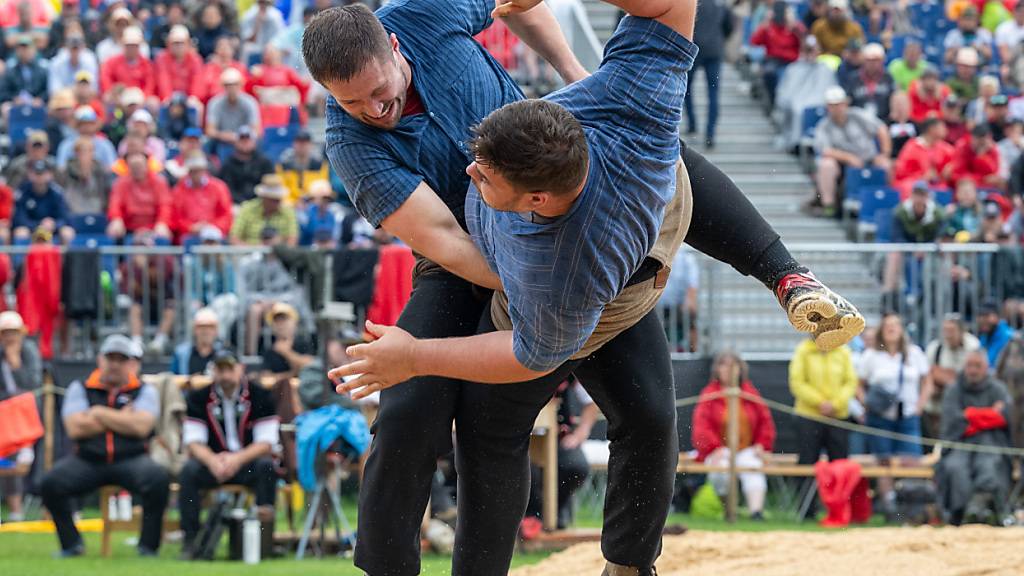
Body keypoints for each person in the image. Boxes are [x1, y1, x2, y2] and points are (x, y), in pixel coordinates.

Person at [309, 3, 860, 575]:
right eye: (352, 103)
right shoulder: (350, 143)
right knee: (409, 410)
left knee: (631, 415)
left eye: (379, 91)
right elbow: (446, 238)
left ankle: (627, 566)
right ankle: (387, 570)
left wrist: (576, 74)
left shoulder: (423, 12)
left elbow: (522, 6)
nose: (375, 110)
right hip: (473, 260)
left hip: (553, 237)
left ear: (395, 46)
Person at [40, 335, 169, 557]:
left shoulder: (144, 390)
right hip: (88, 460)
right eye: (111, 358)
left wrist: (98, 413)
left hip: (132, 458)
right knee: (51, 483)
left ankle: (148, 547)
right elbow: (75, 428)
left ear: (130, 363)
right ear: (100, 360)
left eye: (121, 359)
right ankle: (71, 544)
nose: (115, 365)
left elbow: (141, 427)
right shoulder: (80, 388)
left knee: (158, 479)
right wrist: (123, 418)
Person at [180, 348, 280, 559]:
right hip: (213, 462)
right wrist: (213, 461)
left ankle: (264, 541)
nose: (225, 375)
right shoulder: (198, 397)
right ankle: (191, 541)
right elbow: (193, 441)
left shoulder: (260, 395)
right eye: (220, 369)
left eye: (229, 369)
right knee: (188, 471)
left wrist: (236, 459)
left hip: (247, 462)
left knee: (267, 467)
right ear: (213, 371)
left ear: (240, 369)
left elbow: (267, 442)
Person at [857, 313, 932, 518]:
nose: (891, 329)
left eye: (895, 325)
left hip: (907, 414)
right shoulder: (871, 355)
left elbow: (927, 381)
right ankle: (890, 506)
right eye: (887, 326)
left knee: (912, 460)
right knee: (884, 462)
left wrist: (920, 405)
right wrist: (866, 404)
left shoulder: (914, 353)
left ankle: (912, 506)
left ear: (902, 330)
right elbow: (859, 385)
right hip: (880, 416)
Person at [692, 351, 776, 520]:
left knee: (753, 467)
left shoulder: (749, 393)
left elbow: (765, 422)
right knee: (720, 470)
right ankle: (728, 509)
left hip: (746, 448)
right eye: (724, 365)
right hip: (720, 449)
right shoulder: (710, 394)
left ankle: (756, 512)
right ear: (717, 369)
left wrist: (761, 444)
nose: (728, 370)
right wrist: (714, 448)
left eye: (732, 366)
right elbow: (701, 427)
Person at [938, 350, 1012, 525]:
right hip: (960, 442)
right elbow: (953, 419)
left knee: (990, 465)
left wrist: (970, 415)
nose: (973, 370)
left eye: (977, 366)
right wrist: (989, 415)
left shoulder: (998, 389)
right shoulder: (953, 390)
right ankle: (960, 514)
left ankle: (981, 509)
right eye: (970, 365)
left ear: (986, 368)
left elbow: (1004, 417)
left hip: (991, 441)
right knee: (955, 468)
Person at [523, 375, 598, 532]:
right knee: (526, 470)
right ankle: (531, 516)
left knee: (576, 466)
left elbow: (590, 401)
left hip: (558, 436)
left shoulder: (567, 365)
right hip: (520, 437)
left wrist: (580, 433)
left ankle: (554, 510)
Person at [813, 86, 892, 217]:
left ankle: (886, 201)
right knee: (826, 165)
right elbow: (825, 150)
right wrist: (848, 158)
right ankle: (829, 205)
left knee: (886, 165)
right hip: (843, 165)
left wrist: (884, 153)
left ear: (845, 104)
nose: (836, 108)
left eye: (839, 104)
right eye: (832, 105)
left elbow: (881, 128)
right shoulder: (824, 126)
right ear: (828, 107)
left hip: (869, 159)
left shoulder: (858, 115)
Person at [0, 310, 42, 523]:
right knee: (6, 460)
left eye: (13, 332)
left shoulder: (29, 351)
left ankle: (29, 508)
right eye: (5, 332)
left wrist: (15, 361)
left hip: (28, 416)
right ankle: (14, 510)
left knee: (26, 460)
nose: (9, 337)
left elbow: (32, 384)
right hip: (4, 415)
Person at [790, 336, 858, 464]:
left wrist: (836, 404)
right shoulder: (803, 350)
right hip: (808, 417)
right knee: (807, 462)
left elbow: (851, 382)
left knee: (840, 464)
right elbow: (797, 383)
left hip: (838, 418)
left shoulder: (844, 351)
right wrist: (819, 403)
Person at [684, 0, 732, 149]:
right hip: (714, 50)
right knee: (713, 92)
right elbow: (728, 27)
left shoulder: (693, 2)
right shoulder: (721, 4)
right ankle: (710, 134)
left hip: (695, 49)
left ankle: (692, 123)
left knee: (686, 88)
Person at [924, 314, 982, 438]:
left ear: (962, 331)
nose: (948, 335)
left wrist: (944, 376)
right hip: (937, 407)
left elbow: (974, 377)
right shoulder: (935, 348)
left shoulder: (973, 347)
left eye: (952, 330)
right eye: (945, 330)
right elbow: (928, 375)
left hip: (965, 407)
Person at [106, 151, 172, 241]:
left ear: (146, 165)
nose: (137, 170)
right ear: (128, 167)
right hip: (129, 227)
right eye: (134, 167)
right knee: (113, 229)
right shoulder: (121, 183)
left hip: (153, 227)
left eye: (140, 166)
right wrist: (116, 219)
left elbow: (165, 205)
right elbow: (115, 204)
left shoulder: (159, 182)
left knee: (164, 232)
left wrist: (162, 222)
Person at [749, 1, 804, 108]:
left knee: (789, 76)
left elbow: (805, 43)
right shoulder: (769, 26)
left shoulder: (794, 27)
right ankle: (772, 101)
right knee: (769, 72)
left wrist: (794, 26)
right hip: (774, 60)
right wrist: (765, 23)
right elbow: (754, 41)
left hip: (791, 61)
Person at [168, 154, 233, 242]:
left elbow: (226, 215)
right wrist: (190, 227)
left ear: (204, 170)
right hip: (189, 236)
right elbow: (175, 217)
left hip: (215, 233)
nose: (196, 174)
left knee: (216, 240)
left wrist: (212, 226)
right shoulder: (178, 190)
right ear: (188, 171)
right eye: (193, 170)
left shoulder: (219, 188)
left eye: (199, 170)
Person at [205, 68, 261, 158]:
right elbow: (210, 131)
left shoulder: (250, 102)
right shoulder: (215, 103)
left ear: (241, 85)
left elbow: (257, 131)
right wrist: (226, 136)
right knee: (206, 143)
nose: (232, 88)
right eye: (228, 85)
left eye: (235, 85)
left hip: (245, 139)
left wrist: (242, 138)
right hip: (222, 140)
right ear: (223, 86)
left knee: (258, 143)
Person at [13, 160, 73, 243]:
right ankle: (21, 256)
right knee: (21, 232)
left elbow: (65, 217)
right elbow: (19, 219)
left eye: (43, 173)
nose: (40, 177)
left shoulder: (56, 192)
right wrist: (39, 224)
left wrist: (54, 224)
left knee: (67, 232)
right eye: (37, 173)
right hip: (31, 229)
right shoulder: (23, 192)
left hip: (52, 229)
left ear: (50, 175)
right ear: (30, 174)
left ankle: (66, 256)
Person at [230, 175, 299, 246]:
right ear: (264, 197)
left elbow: (292, 239)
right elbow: (234, 238)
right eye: (273, 199)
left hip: (279, 255)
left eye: (278, 199)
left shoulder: (288, 211)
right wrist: (254, 249)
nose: (277, 203)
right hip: (249, 254)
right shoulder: (247, 209)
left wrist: (279, 243)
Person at [893, 118, 954, 197]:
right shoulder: (912, 147)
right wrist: (922, 177)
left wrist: (951, 166)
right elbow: (901, 171)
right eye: (942, 127)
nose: (945, 130)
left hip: (938, 184)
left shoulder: (943, 146)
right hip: (914, 184)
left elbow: (957, 158)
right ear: (932, 129)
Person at [217, 125, 275, 204]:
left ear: (254, 142)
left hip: (261, 203)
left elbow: (270, 184)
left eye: (248, 140)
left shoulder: (265, 163)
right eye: (242, 140)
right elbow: (226, 189)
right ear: (236, 142)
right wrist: (241, 202)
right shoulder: (228, 164)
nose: (245, 143)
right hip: (235, 204)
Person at [260, 302, 315, 381]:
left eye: (284, 319)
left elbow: (310, 367)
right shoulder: (269, 350)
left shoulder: (303, 343)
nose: (280, 324)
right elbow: (266, 378)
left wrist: (286, 352)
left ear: (294, 322)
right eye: (276, 321)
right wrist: (291, 375)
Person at [56, 136, 110, 215]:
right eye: (81, 151)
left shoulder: (100, 171)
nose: (85, 154)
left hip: (96, 212)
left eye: (89, 151)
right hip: (73, 212)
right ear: (75, 153)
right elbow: (62, 194)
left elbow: (104, 196)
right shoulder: (67, 171)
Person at [99, 26, 155, 101]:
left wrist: (143, 97)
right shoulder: (112, 62)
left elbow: (150, 85)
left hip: (140, 98)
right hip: (119, 98)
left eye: (134, 45)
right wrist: (112, 93)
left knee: (153, 102)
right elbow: (106, 80)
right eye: (128, 45)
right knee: (107, 98)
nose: (131, 48)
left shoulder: (146, 64)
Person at [842, 42, 895, 121]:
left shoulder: (888, 78)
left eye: (876, 60)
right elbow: (847, 101)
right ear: (864, 60)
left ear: (882, 61)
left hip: (884, 120)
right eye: (869, 60)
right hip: (859, 122)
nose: (873, 64)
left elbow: (894, 99)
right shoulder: (853, 78)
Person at [0, 34, 47, 118]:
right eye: (21, 49)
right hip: (17, 104)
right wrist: (14, 99)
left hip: (37, 103)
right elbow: (4, 93)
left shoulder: (42, 70)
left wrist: (40, 99)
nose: (24, 51)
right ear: (16, 51)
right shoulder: (10, 71)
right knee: (6, 108)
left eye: (27, 48)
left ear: (34, 50)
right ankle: (10, 130)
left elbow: (47, 90)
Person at [55, 105, 117, 170]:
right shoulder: (67, 145)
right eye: (82, 124)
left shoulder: (104, 144)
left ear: (94, 124)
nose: (86, 127)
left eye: (89, 123)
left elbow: (113, 167)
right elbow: (61, 167)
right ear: (76, 125)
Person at [154, 25, 203, 102]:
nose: (178, 46)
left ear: (188, 44)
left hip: (188, 97)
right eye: (175, 43)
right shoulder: (162, 58)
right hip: (168, 97)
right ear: (168, 44)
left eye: (181, 43)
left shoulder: (195, 59)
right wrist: (168, 98)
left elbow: (197, 81)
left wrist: (193, 97)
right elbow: (163, 80)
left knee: (196, 106)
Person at [276, 130, 328, 203]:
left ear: (311, 144)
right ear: (293, 144)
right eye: (299, 142)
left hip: (313, 203)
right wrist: (294, 203)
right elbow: (282, 187)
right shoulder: (284, 164)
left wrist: (309, 201)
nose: (302, 145)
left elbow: (322, 185)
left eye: (305, 142)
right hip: (290, 204)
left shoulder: (319, 165)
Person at [171, 308, 223, 377]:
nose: (206, 331)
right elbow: (173, 379)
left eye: (210, 327)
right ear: (194, 330)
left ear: (216, 331)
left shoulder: (223, 354)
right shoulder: (181, 353)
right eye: (201, 327)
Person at [950, 124, 1002, 190]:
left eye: (983, 141)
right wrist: (982, 179)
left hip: (985, 186)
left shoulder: (992, 148)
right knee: (964, 183)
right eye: (978, 140)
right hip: (966, 186)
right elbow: (957, 175)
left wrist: (982, 156)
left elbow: (993, 172)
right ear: (972, 138)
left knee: (1001, 182)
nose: (981, 144)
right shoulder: (962, 146)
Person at [47, 32, 98, 96]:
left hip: (83, 98)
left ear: (83, 47)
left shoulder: (90, 59)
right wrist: (74, 90)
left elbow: (94, 89)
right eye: (73, 48)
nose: (75, 51)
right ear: (66, 47)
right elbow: (53, 91)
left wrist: (74, 90)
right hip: (64, 99)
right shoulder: (57, 62)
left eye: (77, 48)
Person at [978, 300, 1017, 366]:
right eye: (980, 315)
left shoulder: (1009, 337)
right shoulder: (985, 335)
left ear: (998, 317)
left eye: (986, 315)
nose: (982, 319)